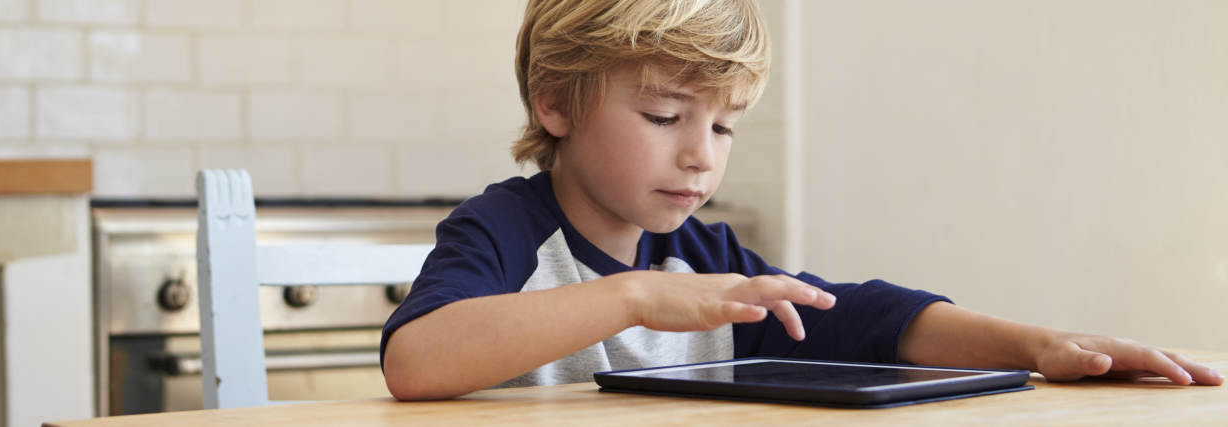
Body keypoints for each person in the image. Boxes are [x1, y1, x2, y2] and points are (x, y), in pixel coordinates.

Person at [379, 0, 1224, 400]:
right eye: (666, 115)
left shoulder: (705, 257)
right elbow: (417, 361)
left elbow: (856, 316)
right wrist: (634, 295)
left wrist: (1037, 343)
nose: (699, 156)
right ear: (555, 104)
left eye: (724, 128)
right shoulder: (506, 228)